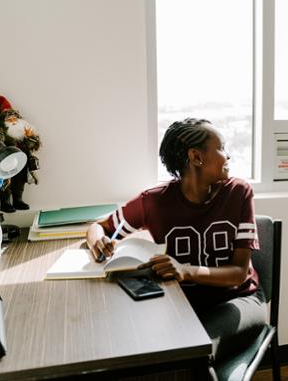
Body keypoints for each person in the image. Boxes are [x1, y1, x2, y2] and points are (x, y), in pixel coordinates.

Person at [86, 118, 266, 378]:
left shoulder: (238, 192)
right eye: (222, 147)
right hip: (182, 305)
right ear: (196, 157)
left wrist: (186, 271)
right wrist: (98, 241)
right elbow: (98, 226)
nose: (228, 155)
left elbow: (239, 272)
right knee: (137, 351)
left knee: (192, 353)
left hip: (238, 300)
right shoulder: (155, 202)